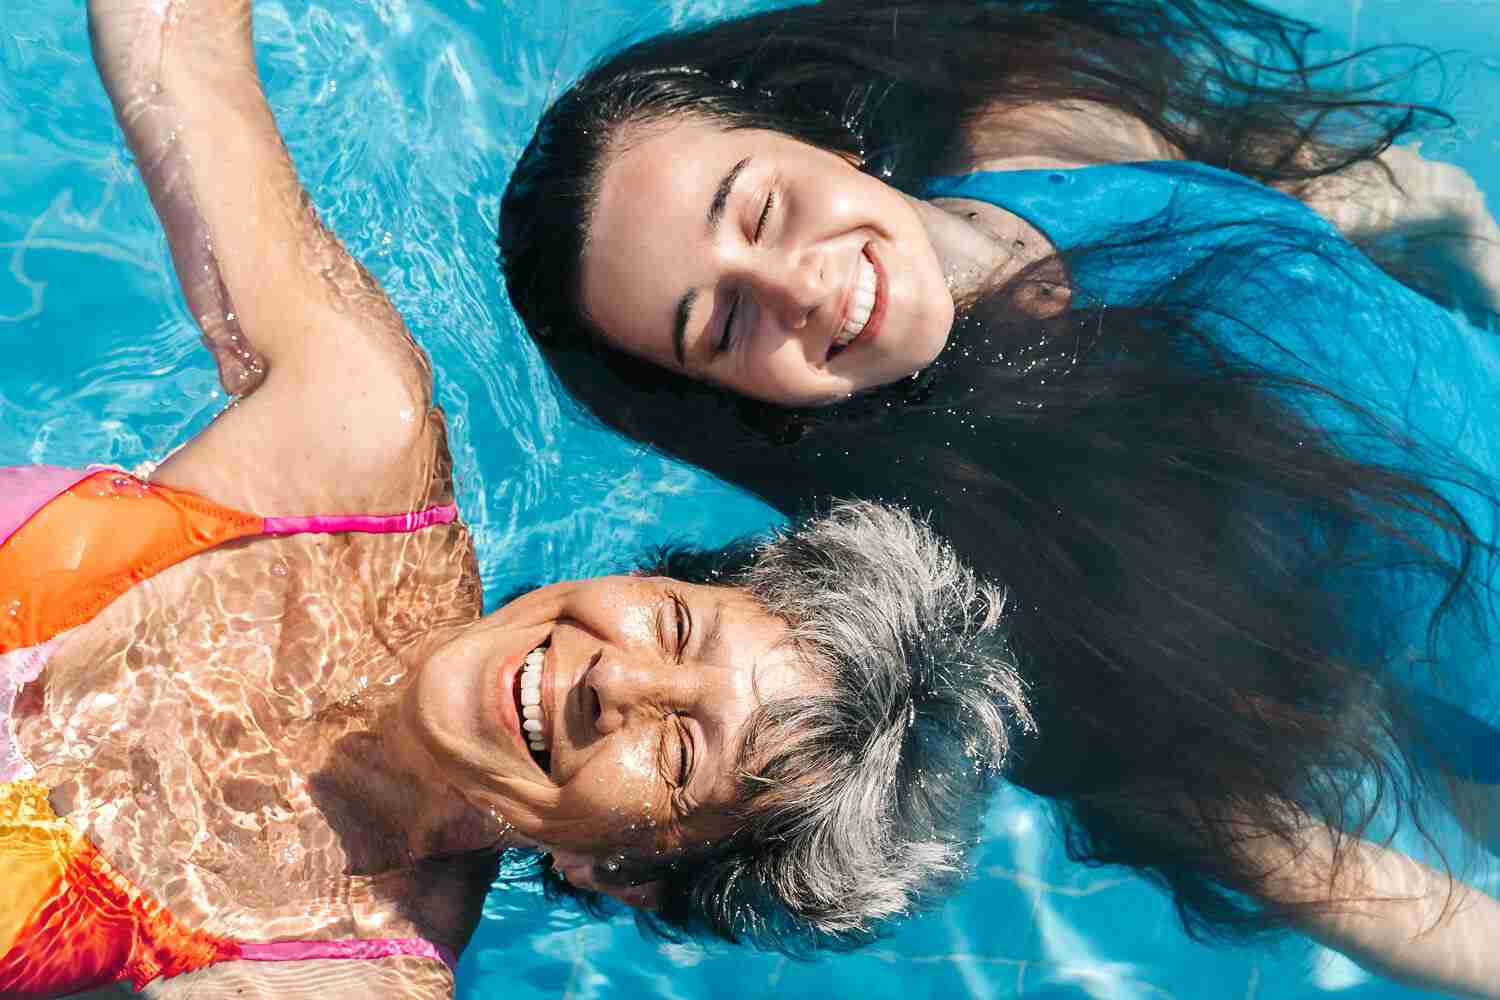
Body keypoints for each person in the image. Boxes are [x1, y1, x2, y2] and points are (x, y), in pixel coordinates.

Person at [0, 3, 1032, 996]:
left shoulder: (322, 972)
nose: (616, 680)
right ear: (639, 573)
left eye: (678, 753)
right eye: (674, 625)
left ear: (620, 871)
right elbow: (181, 52)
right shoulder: (352, 444)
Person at [498, 1, 1500, 995]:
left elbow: (1337, 189)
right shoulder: (1015, 589)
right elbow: (1321, 872)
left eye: (758, 210)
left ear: (817, 135)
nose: (795, 286)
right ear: (744, 403)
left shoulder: (1042, 120)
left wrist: (1471, 244)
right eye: (722, 326)